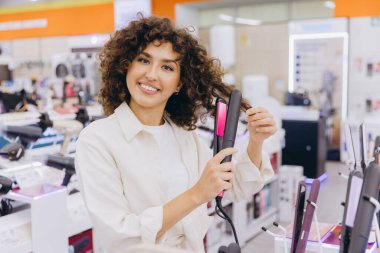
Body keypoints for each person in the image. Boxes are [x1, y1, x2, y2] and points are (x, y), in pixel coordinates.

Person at [75, 16, 276, 253]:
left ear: (180, 83)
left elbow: (236, 186)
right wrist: (196, 195)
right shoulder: (97, 140)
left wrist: (256, 140)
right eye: (143, 60)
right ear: (126, 65)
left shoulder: (184, 136)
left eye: (167, 67)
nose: (152, 74)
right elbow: (120, 235)